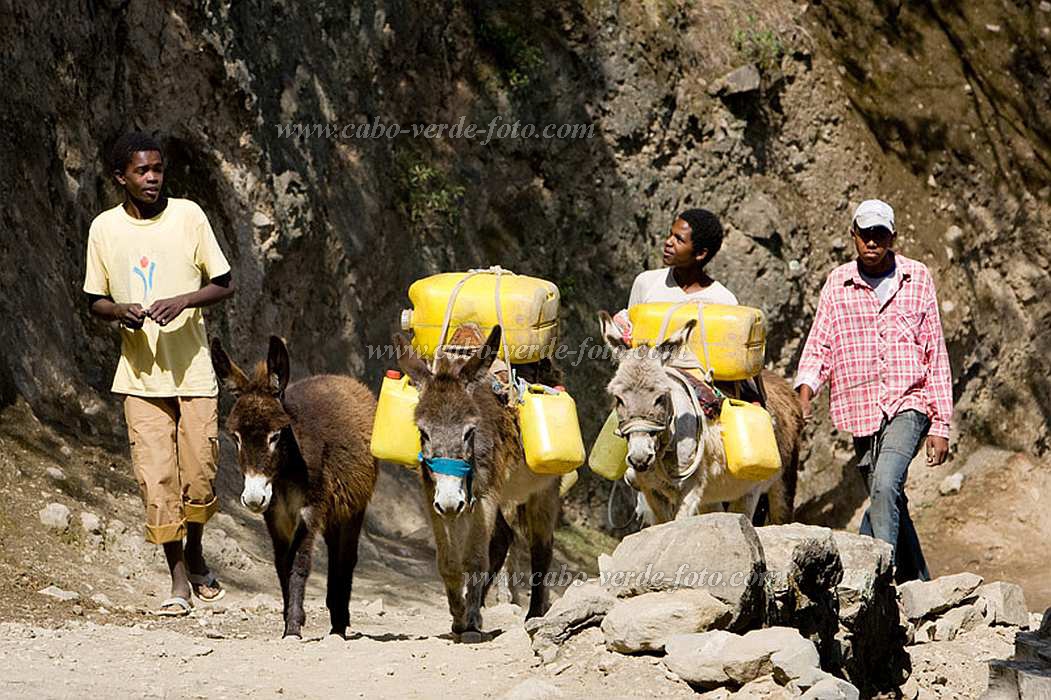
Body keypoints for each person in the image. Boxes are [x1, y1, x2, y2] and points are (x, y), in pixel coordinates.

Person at [83, 132, 235, 615]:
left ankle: (194, 551)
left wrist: (184, 300)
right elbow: (94, 300)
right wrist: (118, 310)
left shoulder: (188, 215)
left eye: (158, 170)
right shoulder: (104, 229)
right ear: (120, 178)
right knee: (156, 479)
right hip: (139, 378)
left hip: (192, 373)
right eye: (141, 171)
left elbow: (224, 282)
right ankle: (177, 583)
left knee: (200, 476)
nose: (152, 179)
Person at [795, 199, 952, 583]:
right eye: (865, 235)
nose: (872, 243)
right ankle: (919, 586)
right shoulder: (838, 283)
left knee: (883, 486)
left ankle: (878, 584)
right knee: (891, 498)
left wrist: (941, 424)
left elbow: (935, 350)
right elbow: (821, 343)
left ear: (892, 238)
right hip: (860, 407)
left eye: (880, 235)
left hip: (909, 400)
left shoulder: (916, 278)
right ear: (853, 236)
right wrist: (806, 390)